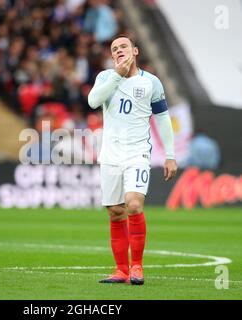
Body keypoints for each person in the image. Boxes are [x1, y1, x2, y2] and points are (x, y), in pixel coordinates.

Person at [88, 35, 177, 285]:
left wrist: (170, 155)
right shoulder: (106, 78)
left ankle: (137, 266)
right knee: (116, 212)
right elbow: (93, 101)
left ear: (135, 51)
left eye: (123, 46)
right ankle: (121, 270)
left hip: (137, 153)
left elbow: (162, 119)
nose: (119, 51)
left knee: (134, 205)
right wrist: (117, 75)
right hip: (110, 155)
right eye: (114, 49)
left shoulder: (151, 82)